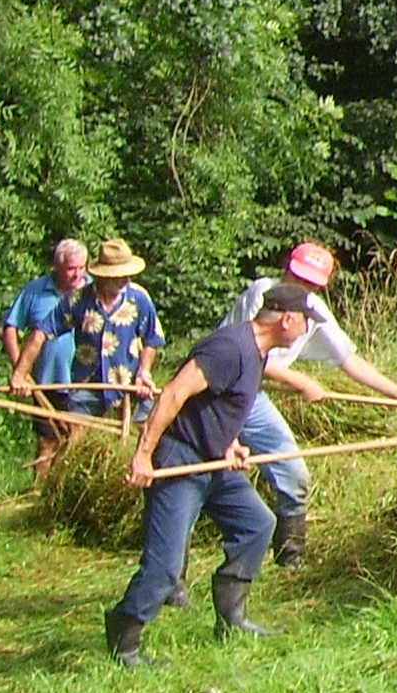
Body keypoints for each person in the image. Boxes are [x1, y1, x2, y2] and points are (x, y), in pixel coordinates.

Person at [109, 283, 309, 665]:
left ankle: (232, 618)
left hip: (213, 460)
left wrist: (230, 444)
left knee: (257, 524)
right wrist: (143, 457)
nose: (305, 330)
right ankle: (125, 636)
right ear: (287, 319)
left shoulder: (257, 353)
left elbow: (222, 406)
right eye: (304, 322)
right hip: (180, 460)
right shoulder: (229, 348)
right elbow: (173, 395)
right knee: (165, 566)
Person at [227, 241, 397, 566]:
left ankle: (289, 560)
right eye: (299, 278)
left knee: (295, 474)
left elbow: (348, 360)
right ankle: (172, 578)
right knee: (201, 480)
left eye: (311, 283)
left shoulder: (315, 311)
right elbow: (249, 354)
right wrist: (302, 381)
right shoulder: (264, 294)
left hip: (253, 398)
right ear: (286, 270)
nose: (303, 287)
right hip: (220, 391)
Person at [4, 237, 93, 469]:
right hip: (46, 381)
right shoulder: (35, 291)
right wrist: (20, 371)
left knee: (76, 440)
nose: (77, 274)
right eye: (71, 269)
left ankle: (63, 494)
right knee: (47, 441)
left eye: (82, 268)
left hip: (83, 382)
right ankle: (39, 495)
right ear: (57, 267)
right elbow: (11, 327)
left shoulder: (94, 291)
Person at [64, 237, 163, 421]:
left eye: (127, 275)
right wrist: (21, 375)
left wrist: (144, 371)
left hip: (127, 388)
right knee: (75, 439)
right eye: (119, 276)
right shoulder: (78, 300)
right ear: (103, 276)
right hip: (86, 389)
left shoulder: (139, 298)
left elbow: (152, 339)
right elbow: (43, 331)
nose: (125, 280)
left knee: (142, 434)